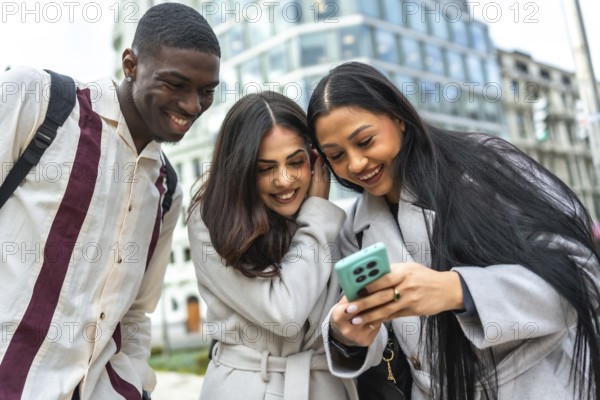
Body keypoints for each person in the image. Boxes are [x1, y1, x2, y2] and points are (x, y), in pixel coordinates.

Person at [306, 62, 600, 400]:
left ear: (398, 118)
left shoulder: (486, 166)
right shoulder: (354, 231)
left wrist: (459, 291)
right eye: (337, 156)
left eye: (366, 140)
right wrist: (347, 336)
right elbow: (384, 346)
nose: (356, 164)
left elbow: (584, 277)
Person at [0, 3, 220, 399]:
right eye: (175, 84)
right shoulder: (38, 100)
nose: (192, 106)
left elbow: (135, 313)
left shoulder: (167, 190)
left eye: (206, 92)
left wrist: (131, 387)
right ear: (131, 64)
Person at [187, 91, 358, 400]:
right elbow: (285, 315)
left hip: (325, 387)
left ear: (314, 159)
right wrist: (317, 213)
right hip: (249, 387)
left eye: (295, 162)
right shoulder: (212, 219)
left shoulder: (334, 219)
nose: (284, 179)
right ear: (241, 170)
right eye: (265, 168)